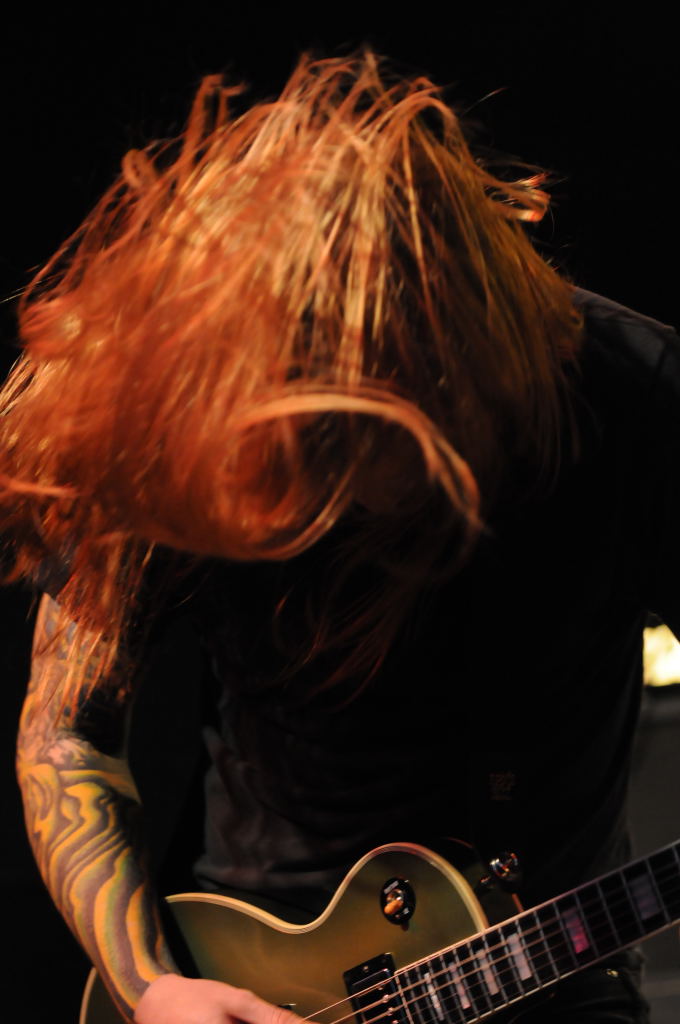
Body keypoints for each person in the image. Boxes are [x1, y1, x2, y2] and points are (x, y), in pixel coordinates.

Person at [1, 48, 671, 1023]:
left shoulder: (630, 397)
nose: (337, 504)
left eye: (370, 449)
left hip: (548, 976)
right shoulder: (180, 403)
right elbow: (66, 732)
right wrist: (152, 986)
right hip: (260, 974)